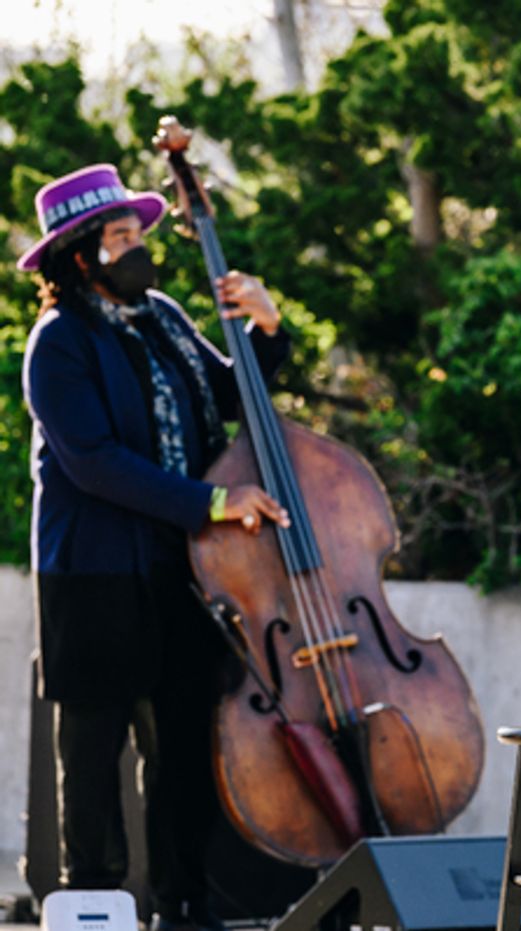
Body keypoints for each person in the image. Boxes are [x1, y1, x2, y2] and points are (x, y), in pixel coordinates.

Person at [17, 163, 292, 931]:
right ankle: (90, 900)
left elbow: (239, 395)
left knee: (182, 743)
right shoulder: (58, 343)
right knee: (95, 749)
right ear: (80, 257)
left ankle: (184, 902)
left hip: (185, 570)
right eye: (122, 238)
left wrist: (269, 327)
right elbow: (95, 461)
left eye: (142, 233)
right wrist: (211, 502)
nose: (141, 248)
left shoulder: (166, 317)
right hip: (93, 574)